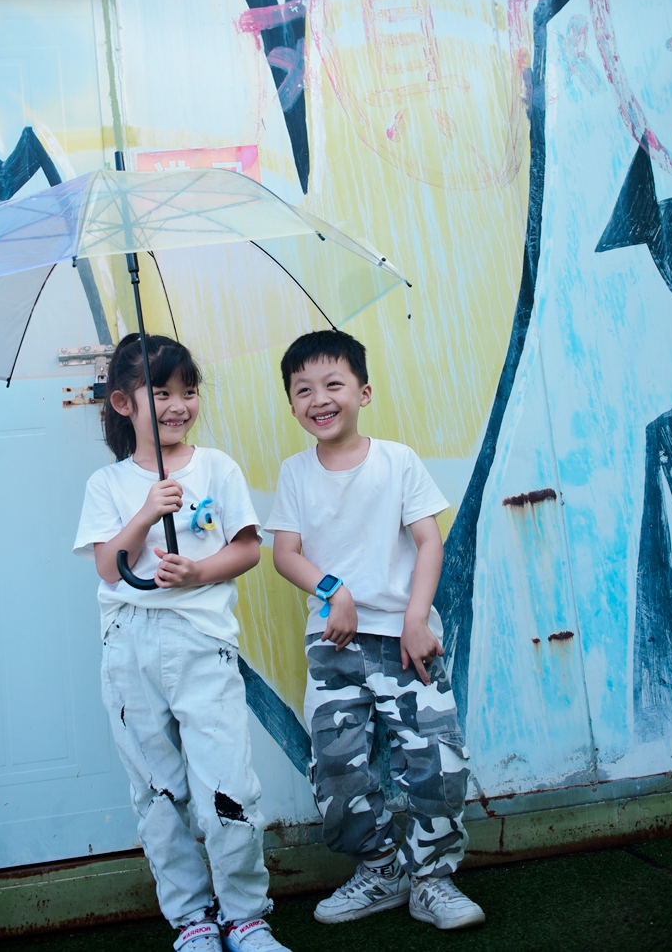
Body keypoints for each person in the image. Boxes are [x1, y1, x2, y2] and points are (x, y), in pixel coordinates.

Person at [74, 333, 289, 952]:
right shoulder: (107, 485)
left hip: (202, 643)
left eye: (188, 391)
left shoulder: (217, 467)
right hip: (129, 650)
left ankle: (246, 915)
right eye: (160, 392)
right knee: (158, 788)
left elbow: (247, 547)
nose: (178, 404)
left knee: (228, 783)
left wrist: (198, 572)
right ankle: (192, 920)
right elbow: (109, 568)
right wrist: (145, 512)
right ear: (123, 403)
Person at [266, 330, 485, 931]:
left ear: (363, 391)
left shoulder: (397, 461)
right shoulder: (294, 473)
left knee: (436, 761)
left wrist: (416, 619)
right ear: (292, 405)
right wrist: (332, 592)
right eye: (303, 389)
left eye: (333, 384)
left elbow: (428, 541)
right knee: (337, 770)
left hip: (406, 640)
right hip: (334, 644)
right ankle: (381, 870)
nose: (319, 398)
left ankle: (433, 882)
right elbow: (286, 554)